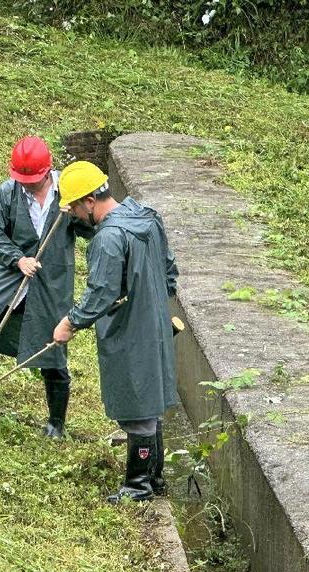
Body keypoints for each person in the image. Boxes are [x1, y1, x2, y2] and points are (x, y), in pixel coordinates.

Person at [0, 136, 94, 437]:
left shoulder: (67, 194)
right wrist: (17, 259)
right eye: (22, 180)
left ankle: (56, 424)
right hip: (10, 278)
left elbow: (92, 226)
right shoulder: (5, 194)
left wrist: (75, 212)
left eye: (33, 180)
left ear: (48, 171)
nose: (27, 185)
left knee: (53, 349)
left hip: (51, 283)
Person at [52, 160, 179, 502]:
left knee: (137, 405)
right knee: (150, 403)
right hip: (153, 321)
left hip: (129, 330)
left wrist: (70, 322)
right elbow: (169, 270)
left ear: (90, 202)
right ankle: (154, 478)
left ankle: (137, 486)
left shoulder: (109, 238)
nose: (76, 216)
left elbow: (100, 292)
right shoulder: (146, 216)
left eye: (77, 209)